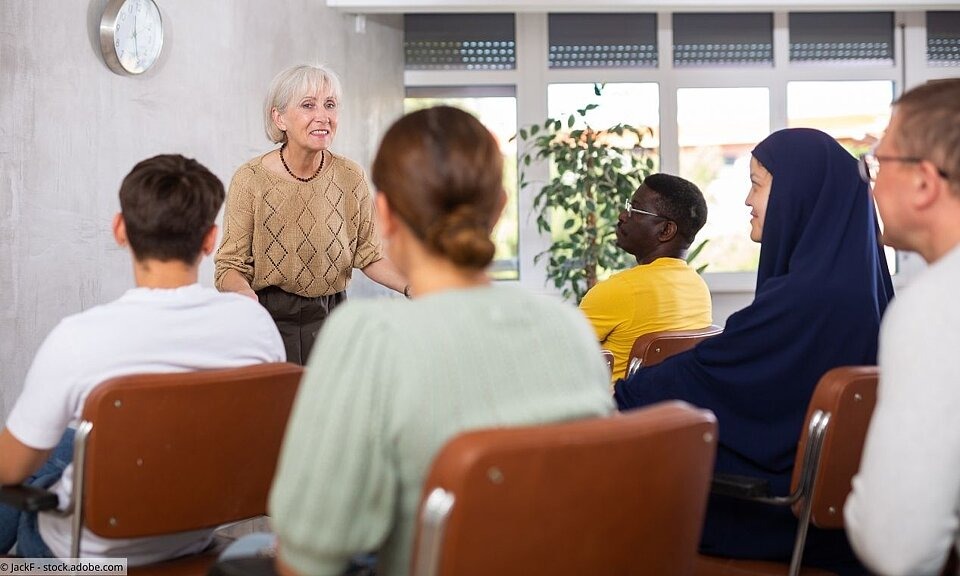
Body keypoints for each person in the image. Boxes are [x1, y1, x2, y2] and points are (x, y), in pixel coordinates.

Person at [218, 106, 614, 576]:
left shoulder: (369, 337)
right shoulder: (570, 331)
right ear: (502, 206)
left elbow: (309, 553)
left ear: (383, 214)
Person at [614, 128, 894, 573]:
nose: (747, 199)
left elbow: (707, 375)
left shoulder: (806, 299)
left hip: (777, 517)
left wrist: (619, 398)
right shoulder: (866, 291)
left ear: (798, 195)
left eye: (756, 184)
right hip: (841, 519)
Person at [0, 154, 285, 562]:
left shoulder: (78, 338)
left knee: (42, 451)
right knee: (69, 440)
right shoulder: (255, 325)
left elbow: (9, 472)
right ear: (210, 239)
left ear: (120, 230)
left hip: (86, 556)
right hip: (192, 536)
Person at [215, 64, 407, 364]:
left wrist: (411, 286)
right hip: (270, 319)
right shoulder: (250, 178)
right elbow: (228, 266)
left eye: (330, 105)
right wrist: (245, 297)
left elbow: (369, 254)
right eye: (308, 105)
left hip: (334, 318)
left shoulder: (350, 175)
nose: (323, 116)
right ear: (279, 118)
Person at [844, 79, 960, 576]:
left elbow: (897, 547)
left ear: (924, 181)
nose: (870, 182)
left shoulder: (938, 307)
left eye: (877, 162)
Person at [579, 173, 712, 383]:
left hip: (614, 411)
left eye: (634, 209)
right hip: (668, 411)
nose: (623, 215)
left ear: (666, 230)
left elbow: (553, 353)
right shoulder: (698, 288)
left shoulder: (621, 290)